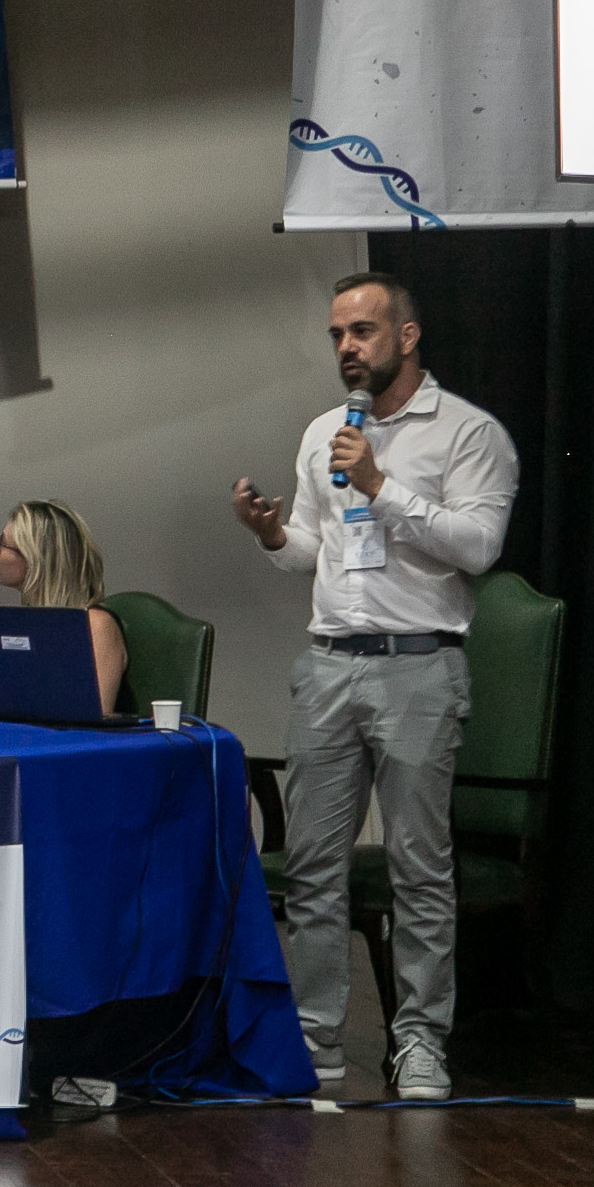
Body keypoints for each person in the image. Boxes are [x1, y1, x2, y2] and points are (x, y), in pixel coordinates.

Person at [229, 271, 516, 1104]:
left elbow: (479, 547)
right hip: (329, 665)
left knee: (418, 868)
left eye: (362, 331)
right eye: (337, 335)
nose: (347, 348)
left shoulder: (468, 433)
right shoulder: (325, 432)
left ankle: (419, 1042)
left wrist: (383, 488)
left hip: (420, 667)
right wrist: (272, 533)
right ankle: (315, 1040)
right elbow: (313, 550)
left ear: (407, 336)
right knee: (312, 868)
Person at [0, 500, 129, 717]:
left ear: (35, 558)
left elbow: (94, 716)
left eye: (2, 544)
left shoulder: (95, 625)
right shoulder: (21, 620)